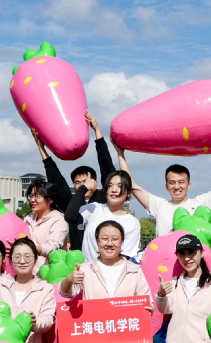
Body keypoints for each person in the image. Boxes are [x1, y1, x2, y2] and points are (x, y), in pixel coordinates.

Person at [118, 135, 211, 238]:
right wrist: (120, 153)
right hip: (164, 258)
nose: (177, 187)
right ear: (166, 186)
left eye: (181, 182)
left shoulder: (201, 203)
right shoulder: (159, 205)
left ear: (188, 185)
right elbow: (132, 185)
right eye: (172, 182)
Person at [33, 111, 118, 252]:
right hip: (78, 260)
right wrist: (41, 148)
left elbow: (107, 166)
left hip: (103, 257)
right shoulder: (72, 204)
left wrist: (97, 130)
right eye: (77, 182)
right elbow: (56, 179)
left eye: (85, 181)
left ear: (95, 182)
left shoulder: (105, 199)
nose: (82, 184)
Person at [67, 170, 142, 262]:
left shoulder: (132, 223)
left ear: (129, 192)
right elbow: (70, 217)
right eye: (110, 185)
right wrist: (83, 188)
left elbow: (125, 256)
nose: (114, 190)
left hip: (114, 270)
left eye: (120, 186)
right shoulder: (93, 208)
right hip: (87, 269)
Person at [23, 179, 69, 263]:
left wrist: (28, 250)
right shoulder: (27, 219)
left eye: (37, 196)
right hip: (26, 269)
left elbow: (52, 247)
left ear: (50, 200)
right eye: (31, 196)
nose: (32, 200)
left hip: (48, 269)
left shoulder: (59, 220)